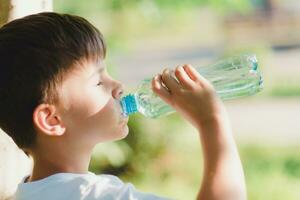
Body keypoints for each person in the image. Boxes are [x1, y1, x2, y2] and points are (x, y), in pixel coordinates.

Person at [0, 12, 246, 200]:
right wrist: (212, 122)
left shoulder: (25, 195)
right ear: (52, 120)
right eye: (98, 81)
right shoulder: (94, 195)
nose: (117, 86)